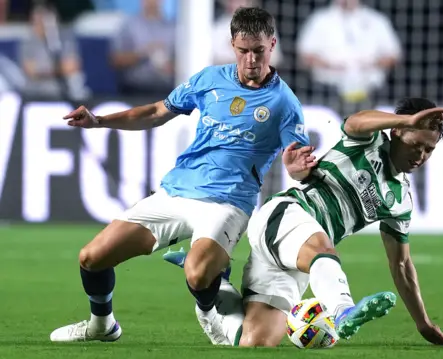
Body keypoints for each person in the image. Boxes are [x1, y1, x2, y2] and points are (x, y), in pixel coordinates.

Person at [49, 7, 316, 345]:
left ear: (272, 44)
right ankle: (102, 325)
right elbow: (156, 111)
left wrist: (296, 168)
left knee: (197, 272)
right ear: (232, 44)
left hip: (229, 202)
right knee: (91, 258)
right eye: (243, 50)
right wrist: (99, 120)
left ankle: (208, 310)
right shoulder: (209, 80)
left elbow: (296, 159)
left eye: (259, 51)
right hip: (177, 192)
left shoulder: (284, 103)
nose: (251, 59)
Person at [165, 98, 443, 347]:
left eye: (429, 150)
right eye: (416, 144)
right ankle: (343, 311)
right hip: (288, 215)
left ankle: (216, 286)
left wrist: (423, 324)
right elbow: (356, 121)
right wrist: (408, 118)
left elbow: (402, 266)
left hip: (299, 256)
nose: (421, 155)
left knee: (254, 339)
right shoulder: (367, 141)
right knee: (325, 250)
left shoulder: (401, 201)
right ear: (397, 130)